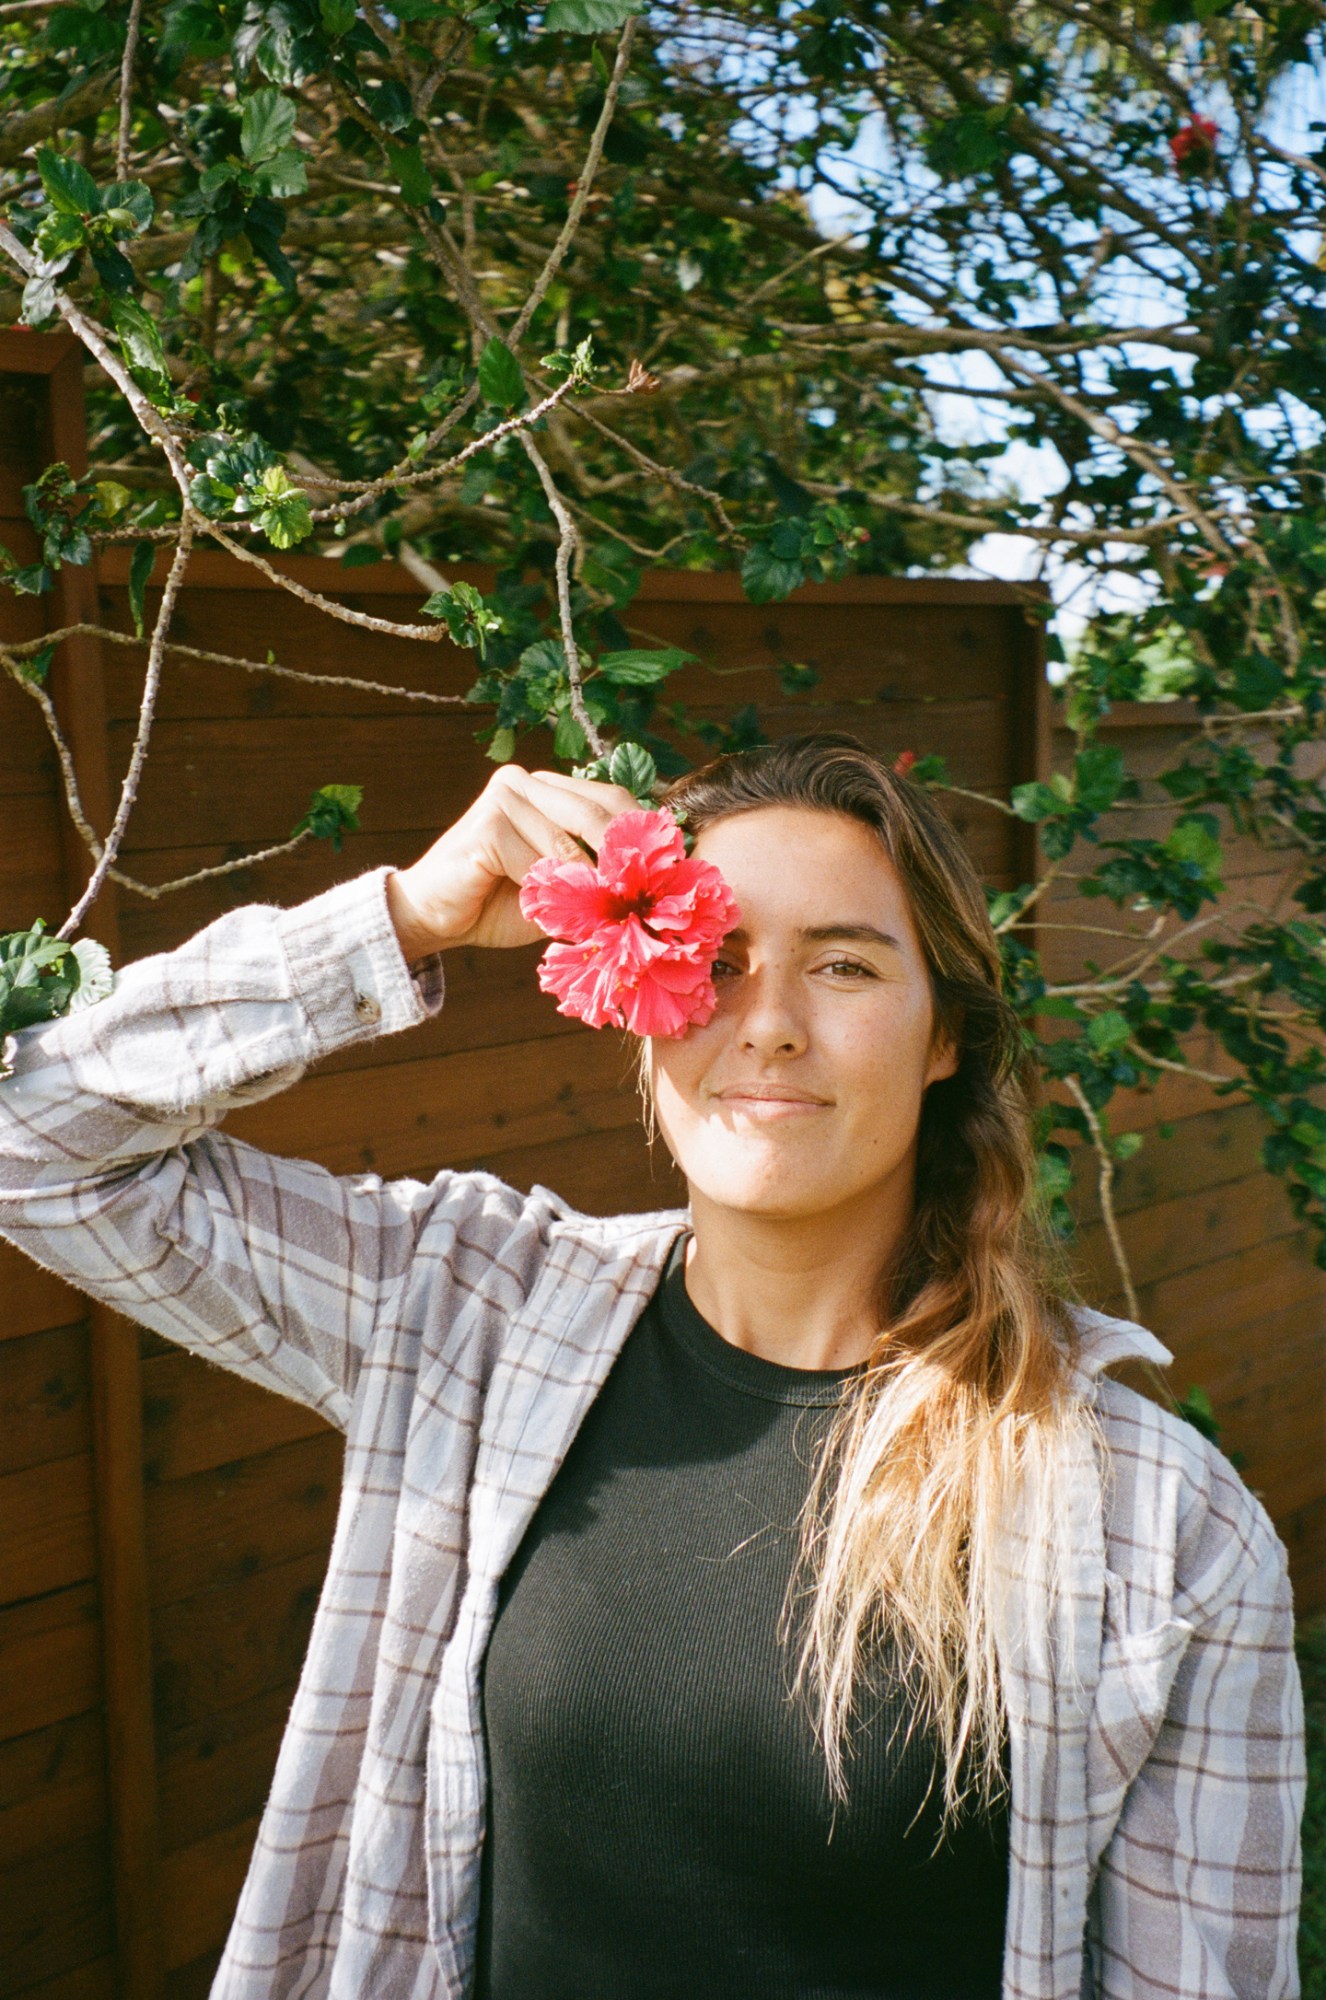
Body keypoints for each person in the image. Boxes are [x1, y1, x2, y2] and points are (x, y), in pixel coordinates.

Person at [0, 731, 1305, 2000]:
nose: (769, 1025)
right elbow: (33, 1143)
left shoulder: (1157, 1529)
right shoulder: (468, 1310)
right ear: (635, 1002)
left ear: (944, 1034)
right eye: (715, 957)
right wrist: (403, 920)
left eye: (843, 967)